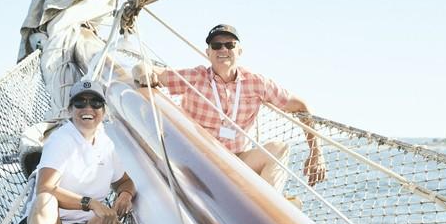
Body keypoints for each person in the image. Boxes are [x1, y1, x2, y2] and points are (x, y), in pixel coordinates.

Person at [136, 23, 326, 190]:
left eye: (230, 45)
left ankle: (264, 214)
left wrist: (316, 152)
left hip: (237, 160)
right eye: (216, 45)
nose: (223, 49)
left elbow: (301, 107)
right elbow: (144, 69)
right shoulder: (195, 78)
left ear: (239, 51)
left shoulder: (256, 83)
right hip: (199, 162)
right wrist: (142, 71)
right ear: (208, 52)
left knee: (279, 149)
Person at [15, 79, 142, 224]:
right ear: (70, 110)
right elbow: (45, 187)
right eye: (80, 103)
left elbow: (125, 181)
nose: (88, 109)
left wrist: (125, 194)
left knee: (107, 220)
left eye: (95, 103)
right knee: (45, 201)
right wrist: (91, 203)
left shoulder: (106, 145)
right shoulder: (61, 140)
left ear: (104, 111)